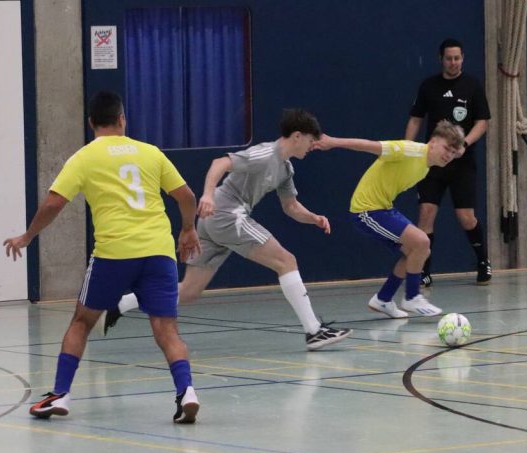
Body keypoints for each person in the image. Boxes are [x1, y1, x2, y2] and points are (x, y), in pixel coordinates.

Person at [3, 90, 204, 423]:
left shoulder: (84, 157)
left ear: (91, 123)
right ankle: (186, 392)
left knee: (82, 321)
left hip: (114, 253)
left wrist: (28, 236)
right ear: (122, 119)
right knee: (166, 328)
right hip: (158, 251)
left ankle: (61, 394)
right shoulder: (150, 153)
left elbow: (54, 203)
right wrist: (188, 230)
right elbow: (186, 195)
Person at [102, 109, 351, 351]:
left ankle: (121, 303)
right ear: (297, 136)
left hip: (214, 221)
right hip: (227, 214)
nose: (312, 145)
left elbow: (291, 206)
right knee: (286, 261)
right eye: (310, 140)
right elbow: (220, 163)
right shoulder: (264, 154)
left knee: (188, 291)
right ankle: (313, 330)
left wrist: (313, 218)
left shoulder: (286, 169)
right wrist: (208, 195)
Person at [313, 121, 466, 318]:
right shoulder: (409, 150)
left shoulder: (427, 164)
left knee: (418, 251)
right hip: (366, 210)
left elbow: (457, 149)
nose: (449, 155)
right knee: (422, 242)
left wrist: (458, 146)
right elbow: (370, 145)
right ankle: (412, 297)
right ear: (433, 141)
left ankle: (383, 299)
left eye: (453, 152)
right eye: (446, 148)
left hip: (383, 208)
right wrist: (333, 142)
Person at [405, 37, 492, 287]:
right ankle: (423, 270)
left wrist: (465, 144)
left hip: (461, 164)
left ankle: (483, 261)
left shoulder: (472, 86)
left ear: (463, 58)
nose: (453, 62)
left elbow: (483, 122)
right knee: (426, 213)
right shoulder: (429, 86)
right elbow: (415, 119)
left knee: (466, 217)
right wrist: (407, 148)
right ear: (441, 59)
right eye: (449, 58)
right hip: (432, 163)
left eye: (457, 58)